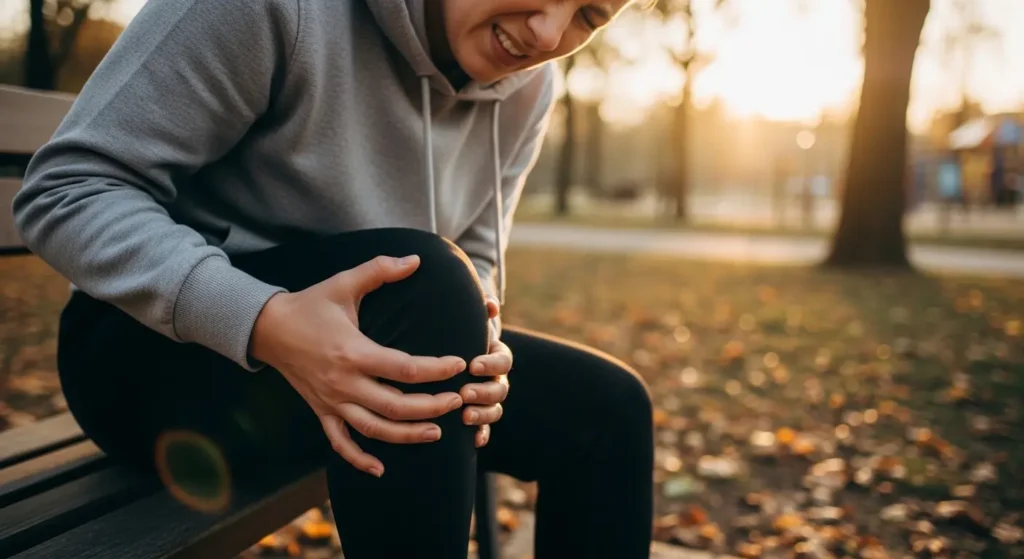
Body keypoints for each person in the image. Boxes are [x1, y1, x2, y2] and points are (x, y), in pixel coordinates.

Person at [12, 0, 655, 557]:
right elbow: (66, 191)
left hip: (382, 343)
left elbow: (478, 254)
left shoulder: (529, 86)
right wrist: (266, 320)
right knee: (423, 285)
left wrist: (483, 348)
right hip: (151, 362)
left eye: (589, 16)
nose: (548, 34)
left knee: (607, 410)